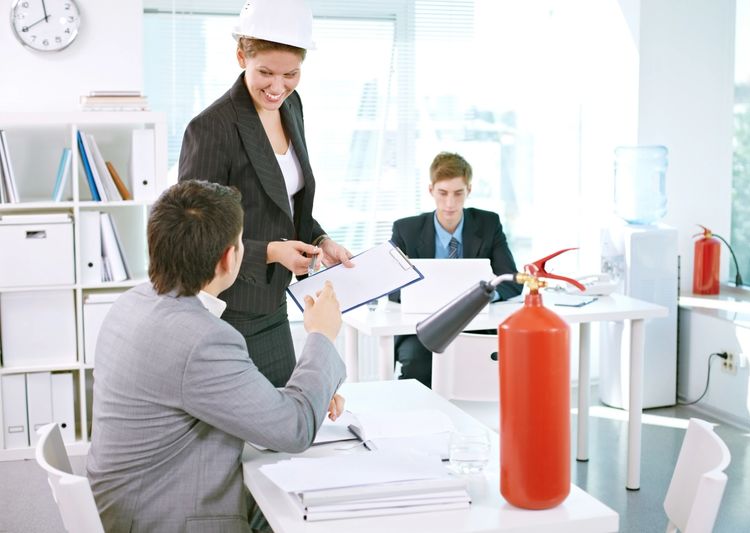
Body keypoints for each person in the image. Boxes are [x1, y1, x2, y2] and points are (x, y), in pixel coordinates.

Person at [86, 180, 347, 533]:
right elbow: (294, 429)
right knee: (326, 509)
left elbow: (221, 397)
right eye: (241, 242)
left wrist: (312, 392)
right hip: (170, 516)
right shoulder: (201, 339)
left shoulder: (132, 302)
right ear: (229, 257)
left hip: (139, 500)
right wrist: (321, 335)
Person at [178, 0, 352, 387]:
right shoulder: (211, 128)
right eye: (266, 73)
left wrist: (320, 240)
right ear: (241, 55)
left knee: (284, 428)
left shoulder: (292, 107)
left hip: (272, 302)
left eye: (291, 74)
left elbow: (283, 201)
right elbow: (193, 234)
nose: (278, 87)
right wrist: (272, 252)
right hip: (227, 308)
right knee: (246, 436)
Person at [390, 152, 522, 387]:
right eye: (443, 193)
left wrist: (479, 299)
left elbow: (510, 281)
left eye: (458, 193)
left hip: (476, 326)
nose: (450, 203)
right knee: (417, 364)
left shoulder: (489, 224)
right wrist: (432, 299)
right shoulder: (406, 230)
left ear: (469, 190)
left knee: (493, 365)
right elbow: (393, 290)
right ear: (431, 190)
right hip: (422, 330)